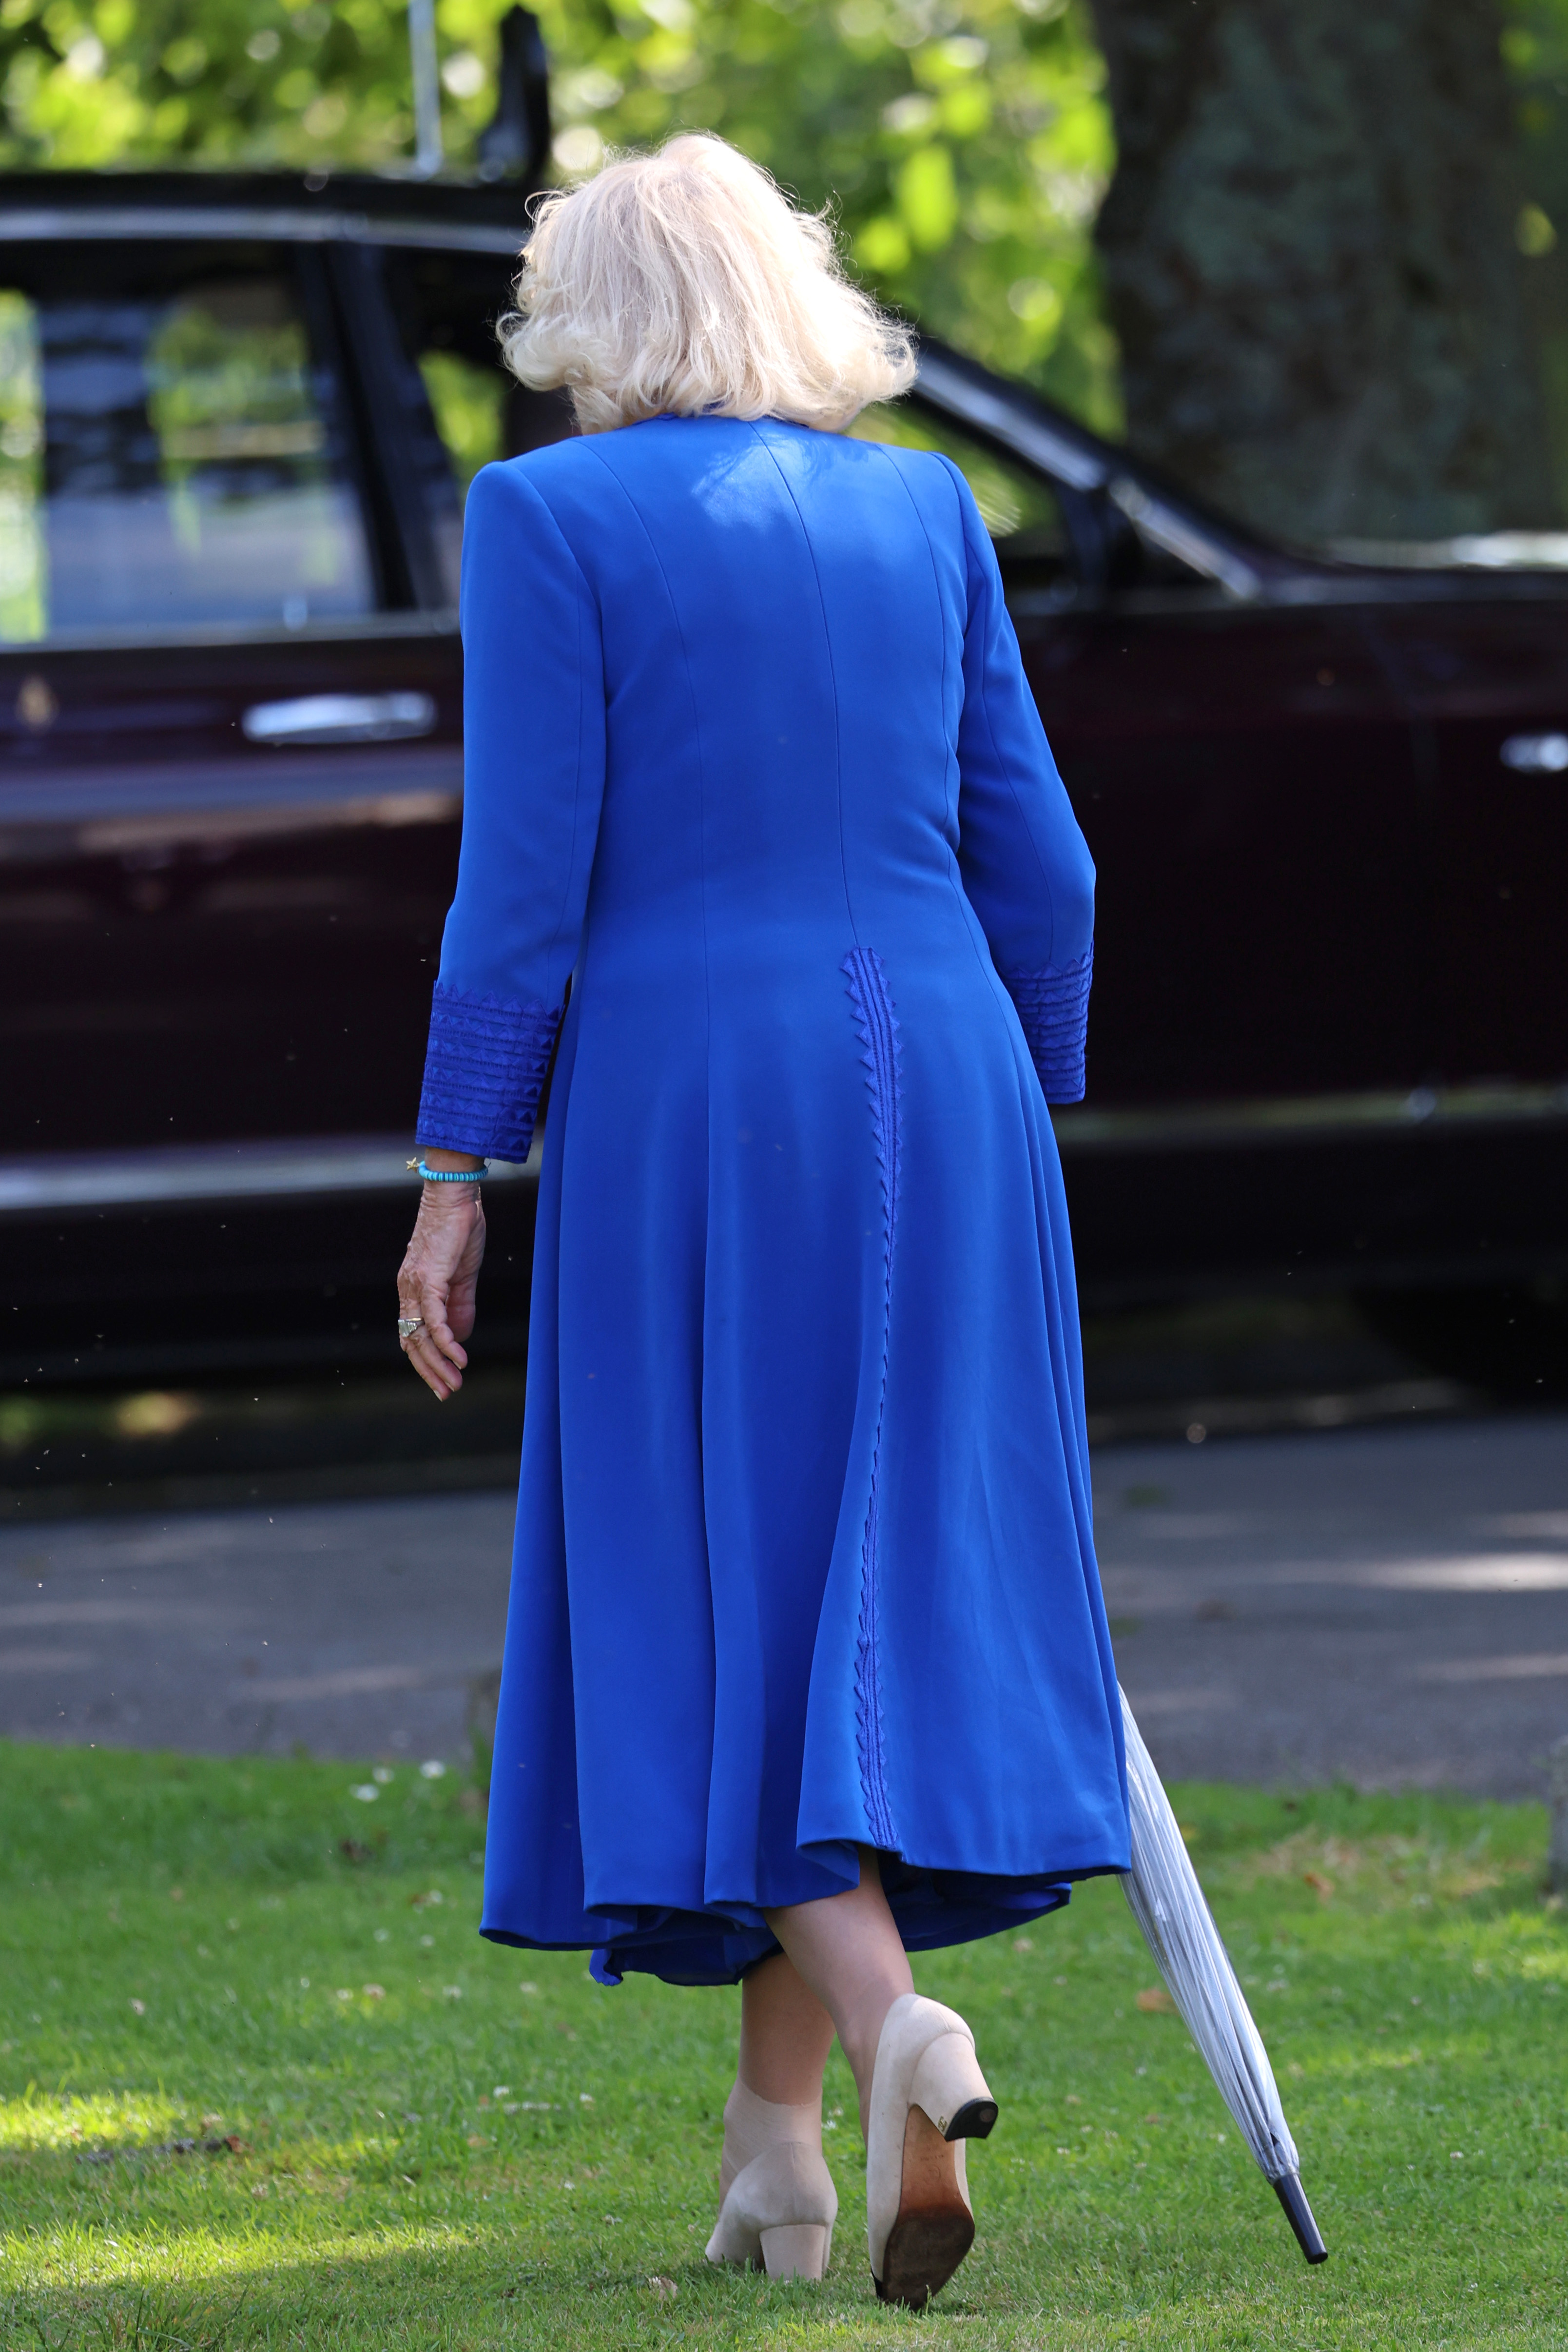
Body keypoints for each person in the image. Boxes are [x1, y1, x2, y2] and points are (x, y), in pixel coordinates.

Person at [396, 133, 1129, 2309]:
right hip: (951, 1066)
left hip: (699, 1103)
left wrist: (455, 1169)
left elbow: (520, 888)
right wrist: (1028, 1101)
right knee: (846, 1592)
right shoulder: (924, 511)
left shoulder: (542, 517)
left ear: (587, 320)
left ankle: (904, 2032)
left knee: (718, 1590)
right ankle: (778, 2153)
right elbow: (1053, 875)